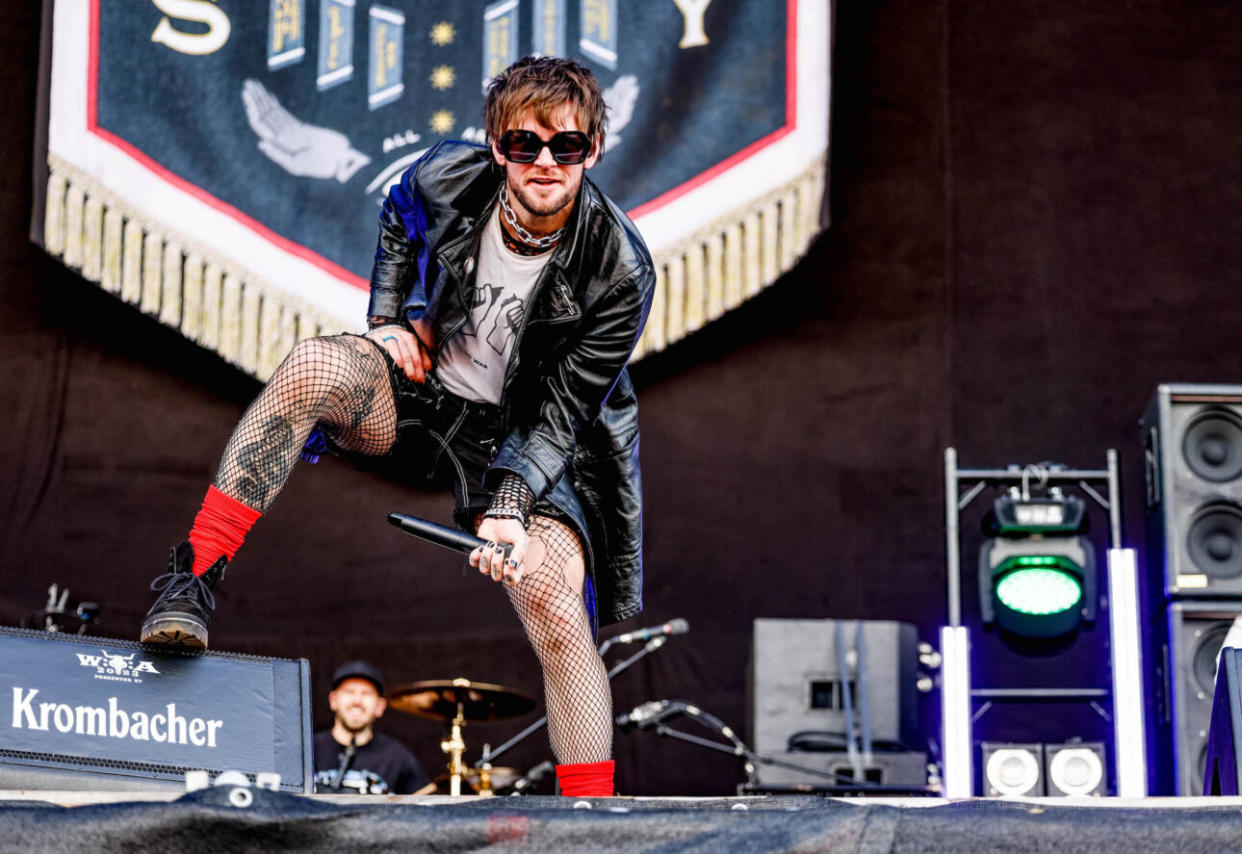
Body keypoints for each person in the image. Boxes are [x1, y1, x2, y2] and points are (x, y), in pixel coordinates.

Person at [139, 56, 655, 798]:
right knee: (313, 367)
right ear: (495, 143)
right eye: (524, 144)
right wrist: (387, 319)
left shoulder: (621, 269)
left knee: (552, 595)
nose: (545, 163)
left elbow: (561, 411)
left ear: (593, 150)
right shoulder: (444, 175)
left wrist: (508, 505)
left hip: (530, 439)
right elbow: (397, 213)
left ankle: (591, 823)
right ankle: (191, 582)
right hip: (429, 396)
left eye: (566, 146)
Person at [313, 660, 429, 794]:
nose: (357, 701)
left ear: (380, 706)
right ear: (333, 700)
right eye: (349, 692)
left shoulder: (397, 757)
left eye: (366, 693)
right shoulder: (309, 751)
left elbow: (424, 807)